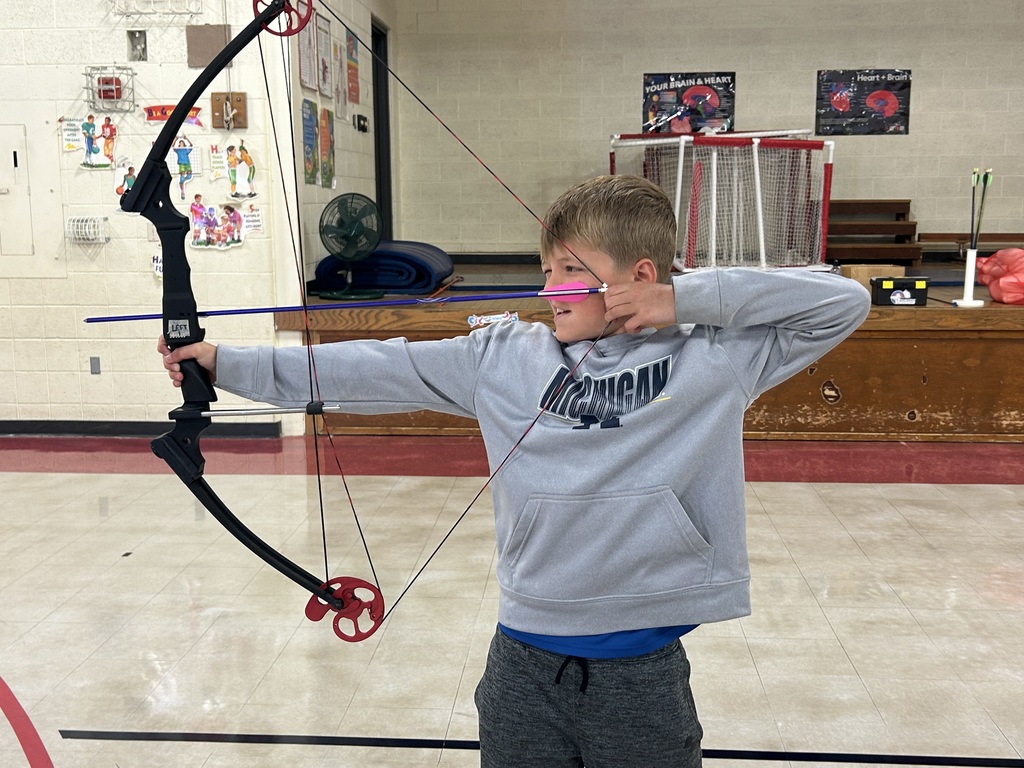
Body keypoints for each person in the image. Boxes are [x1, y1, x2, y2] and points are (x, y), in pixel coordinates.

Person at [159, 175, 870, 767]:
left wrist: (681, 302)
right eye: (547, 267)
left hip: (644, 672)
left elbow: (843, 302)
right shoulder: (503, 358)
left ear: (639, 277)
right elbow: (374, 367)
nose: (548, 285)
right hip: (524, 665)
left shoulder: (715, 358)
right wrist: (222, 364)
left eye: (569, 269)